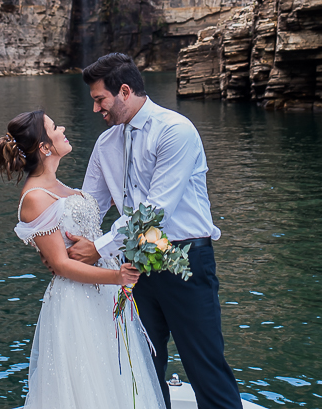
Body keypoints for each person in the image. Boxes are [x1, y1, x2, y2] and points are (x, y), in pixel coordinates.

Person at [67, 53, 244, 409]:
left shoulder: (175, 131)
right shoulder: (105, 145)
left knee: (204, 365)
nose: (96, 109)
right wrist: (59, 240)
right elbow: (90, 207)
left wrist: (98, 248)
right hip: (133, 271)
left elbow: (154, 212)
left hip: (185, 262)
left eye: (100, 99)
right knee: (142, 368)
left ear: (125, 91)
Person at [0, 108, 165, 409]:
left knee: (116, 377)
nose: (63, 127)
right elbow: (60, 264)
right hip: (78, 301)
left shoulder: (61, 187)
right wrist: (117, 276)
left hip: (103, 296)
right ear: (45, 147)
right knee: (88, 382)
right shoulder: (35, 198)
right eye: (55, 127)